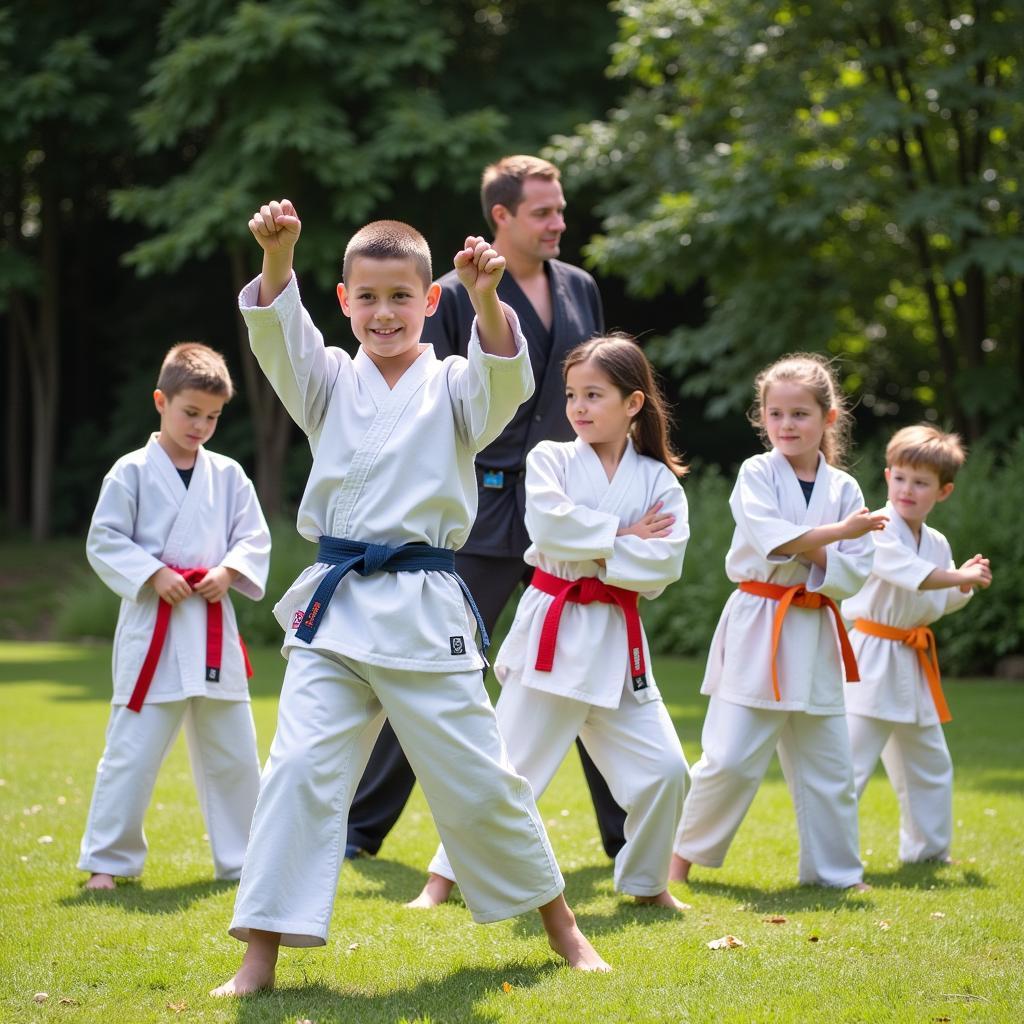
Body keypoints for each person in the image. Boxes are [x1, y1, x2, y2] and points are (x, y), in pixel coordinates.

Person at [212, 199, 609, 997]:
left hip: (426, 603)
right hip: (335, 605)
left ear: (432, 302)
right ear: (345, 302)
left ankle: (564, 930)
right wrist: (281, 255)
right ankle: (259, 957)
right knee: (295, 771)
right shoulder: (325, 380)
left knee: (478, 776)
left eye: (402, 297)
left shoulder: (458, 384)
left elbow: (507, 378)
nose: (384, 313)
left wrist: (489, 295)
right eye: (368, 297)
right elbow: (278, 337)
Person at [345, 154, 628, 864]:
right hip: (482, 508)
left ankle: (627, 840)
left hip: (566, 507)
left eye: (560, 208)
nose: (559, 222)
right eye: (543, 212)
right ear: (499, 217)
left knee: (592, 655)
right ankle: (360, 832)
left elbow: (599, 388)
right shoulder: (443, 295)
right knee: (436, 665)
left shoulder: (581, 289)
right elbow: (424, 402)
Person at [410, 336, 691, 913]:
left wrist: (605, 546)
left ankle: (645, 882)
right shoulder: (550, 460)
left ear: (633, 403)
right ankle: (441, 880)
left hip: (616, 642)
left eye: (594, 395)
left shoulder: (659, 480)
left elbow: (665, 564)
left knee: (667, 771)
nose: (579, 407)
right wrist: (624, 538)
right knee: (508, 769)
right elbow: (549, 529)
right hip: (554, 636)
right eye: (571, 395)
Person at [670, 352, 886, 889]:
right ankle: (676, 859)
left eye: (800, 414)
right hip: (759, 621)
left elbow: (858, 572)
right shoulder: (756, 473)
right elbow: (772, 538)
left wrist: (819, 545)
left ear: (828, 418)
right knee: (729, 759)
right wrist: (837, 536)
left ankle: (835, 872)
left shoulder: (845, 490)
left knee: (829, 765)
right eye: (776, 414)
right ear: (761, 418)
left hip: (813, 629)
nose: (787, 425)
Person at [79, 343, 271, 890]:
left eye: (212, 417)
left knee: (234, 752)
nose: (201, 426)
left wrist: (230, 573)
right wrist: (151, 573)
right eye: (191, 413)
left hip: (211, 621)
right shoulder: (131, 471)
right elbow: (105, 538)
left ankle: (245, 860)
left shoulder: (229, 474)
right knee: (132, 752)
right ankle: (108, 862)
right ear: (161, 401)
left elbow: (252, 538)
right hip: (154, 626)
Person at [842, 425, 991, 863]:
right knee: (851, 762)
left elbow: (937, 599)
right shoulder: (877, 528)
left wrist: (963, 584)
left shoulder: (937, 543)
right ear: (888, 476)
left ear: (943, 492)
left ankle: (928, 851)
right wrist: (958, 576)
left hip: (911, 657)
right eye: (902, 478)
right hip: (869, 653)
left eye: (921, 482)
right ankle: (832, 855)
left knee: (929, 762)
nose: (908, 489)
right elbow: (908, 572)